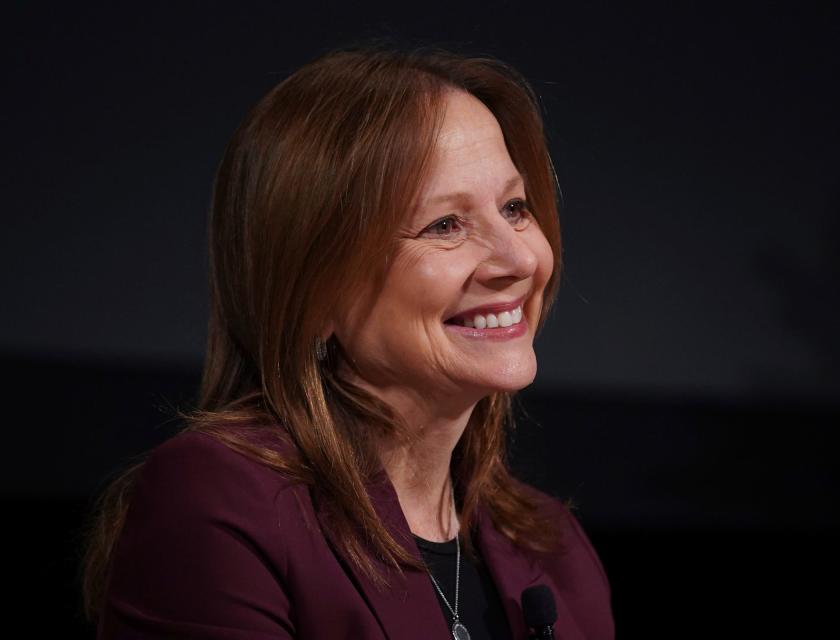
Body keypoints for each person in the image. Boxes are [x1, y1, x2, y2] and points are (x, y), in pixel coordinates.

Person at [82, 45, 615, 639]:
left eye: (514, 207)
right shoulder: (226, 505)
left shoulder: (552, 547)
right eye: (445, 224)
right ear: (314, 289)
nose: (518, 257)